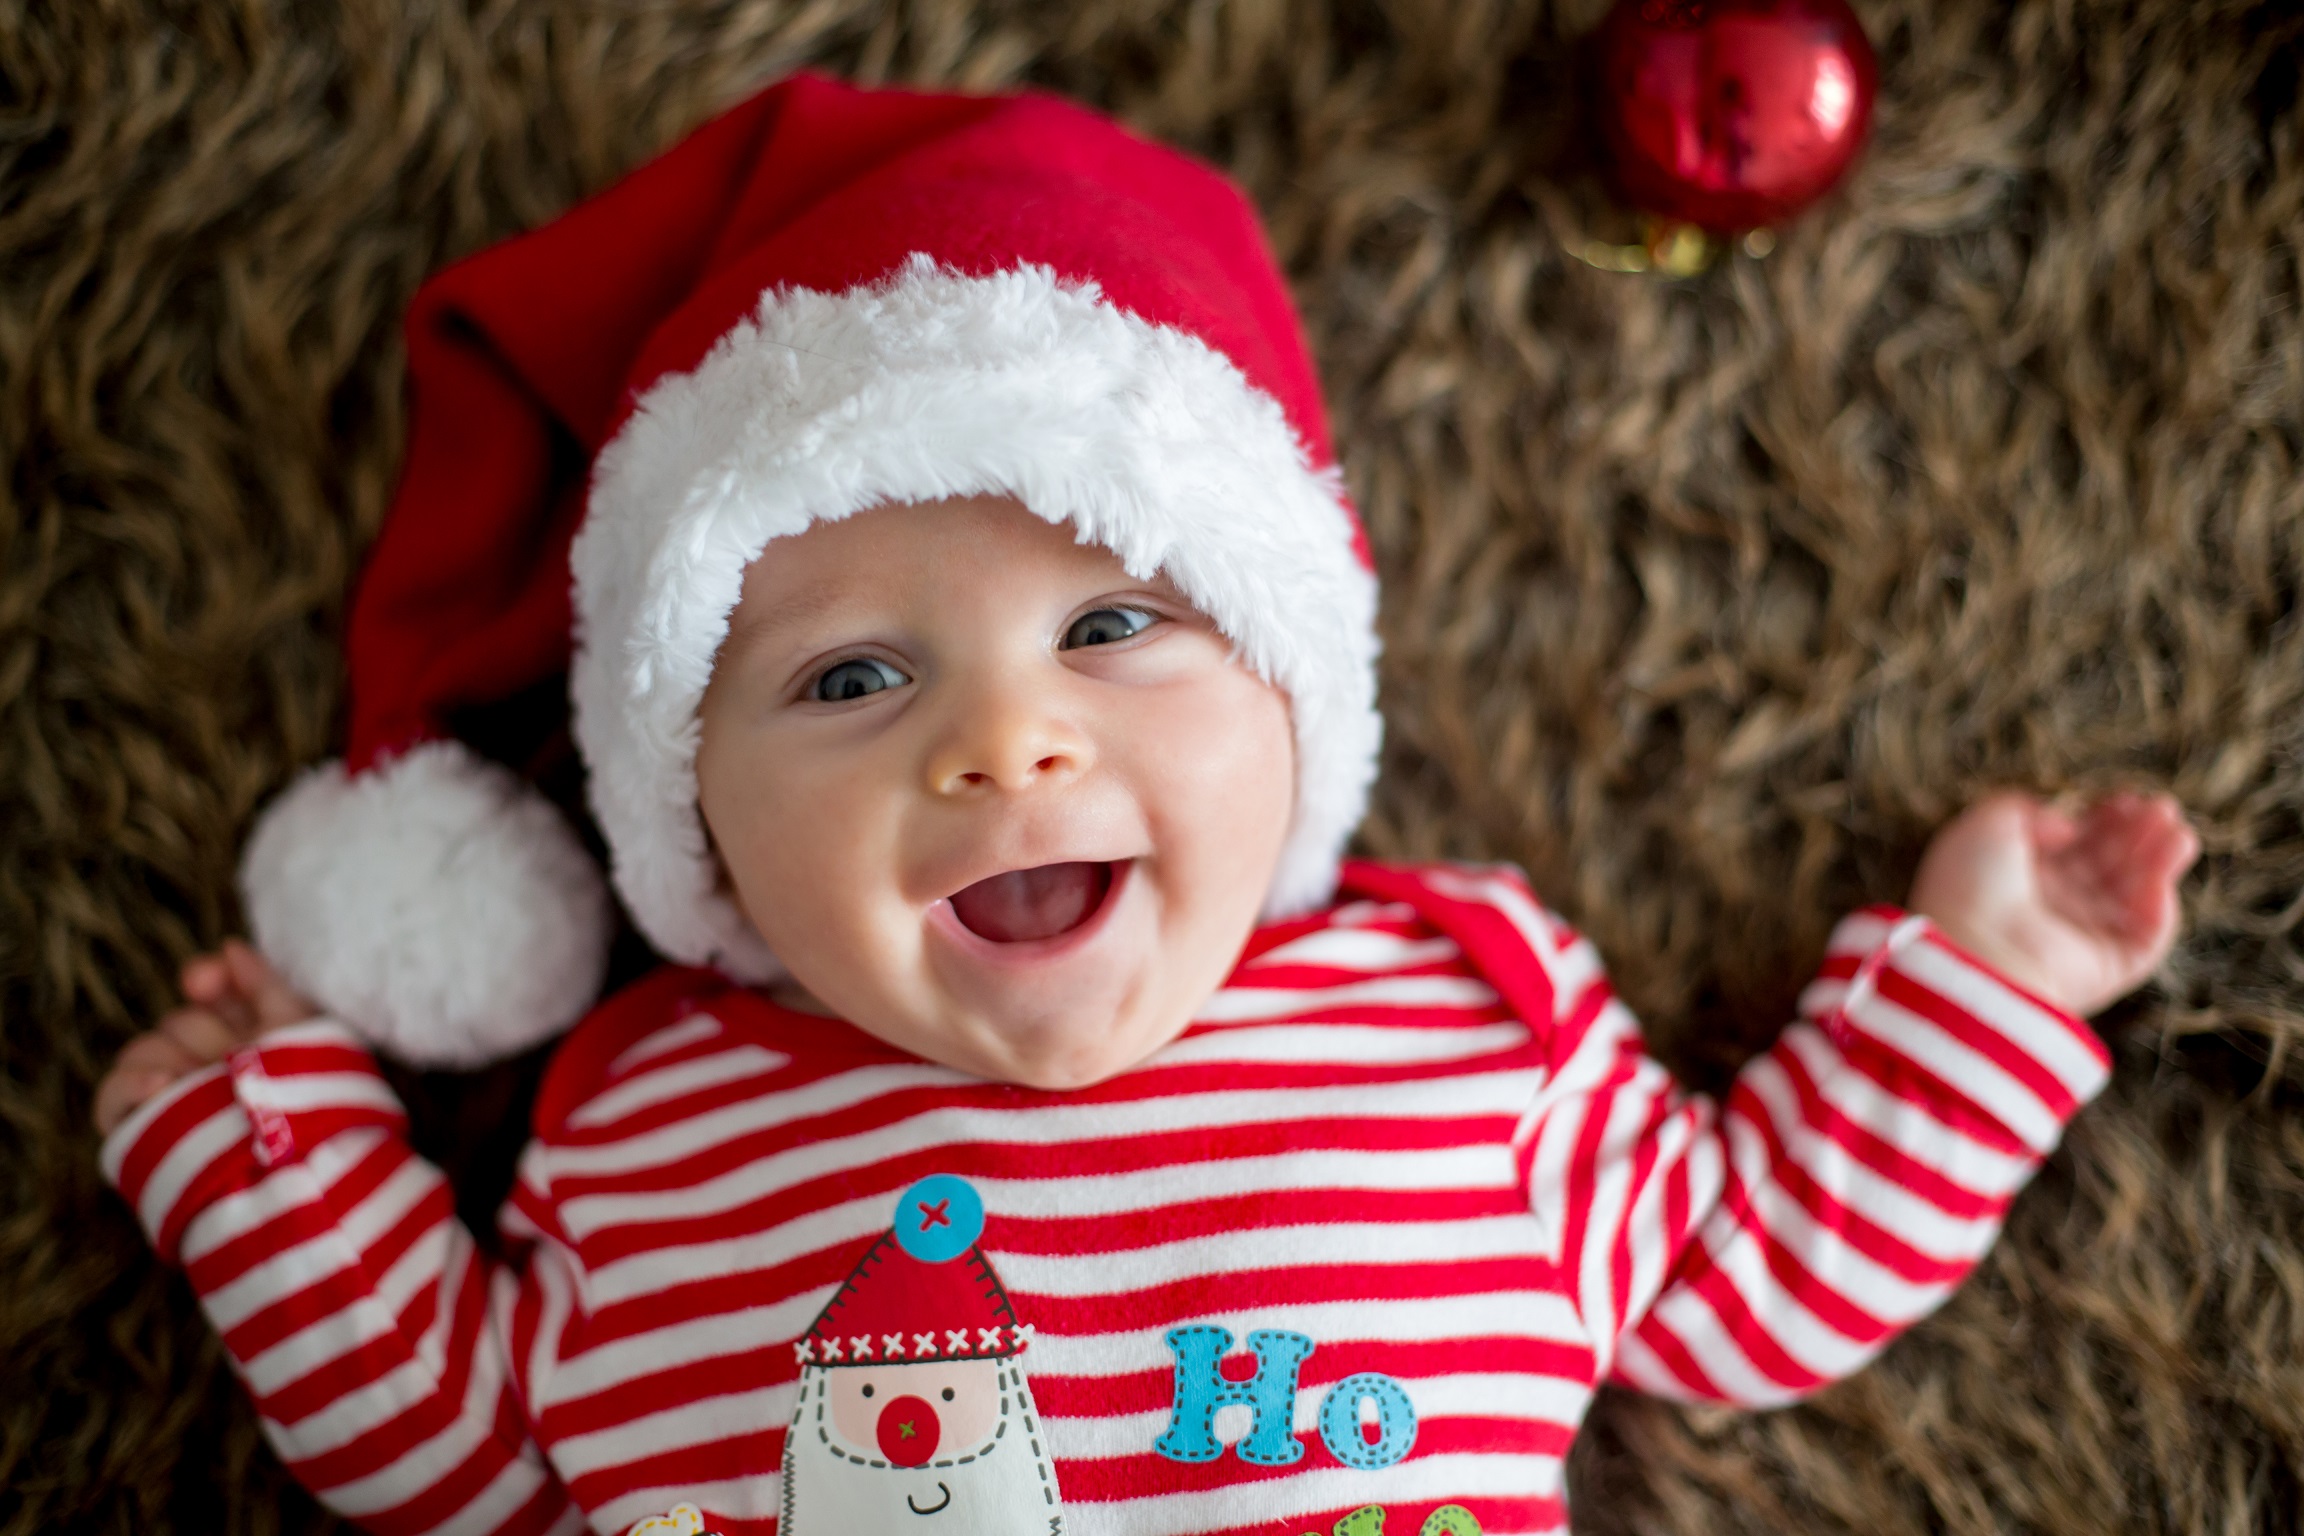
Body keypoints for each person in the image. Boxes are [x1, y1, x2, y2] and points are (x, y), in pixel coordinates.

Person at [92, 74, 2199, 1536]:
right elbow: (465, 1469)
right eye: (849, 678)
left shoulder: (1457, 1022)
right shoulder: (644, 1111)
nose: (1006, 748)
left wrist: (1988, 980)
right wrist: (280, 1179)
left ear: (1299, 700)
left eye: (1112, 628)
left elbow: (1751, 1274)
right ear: (692, 823)